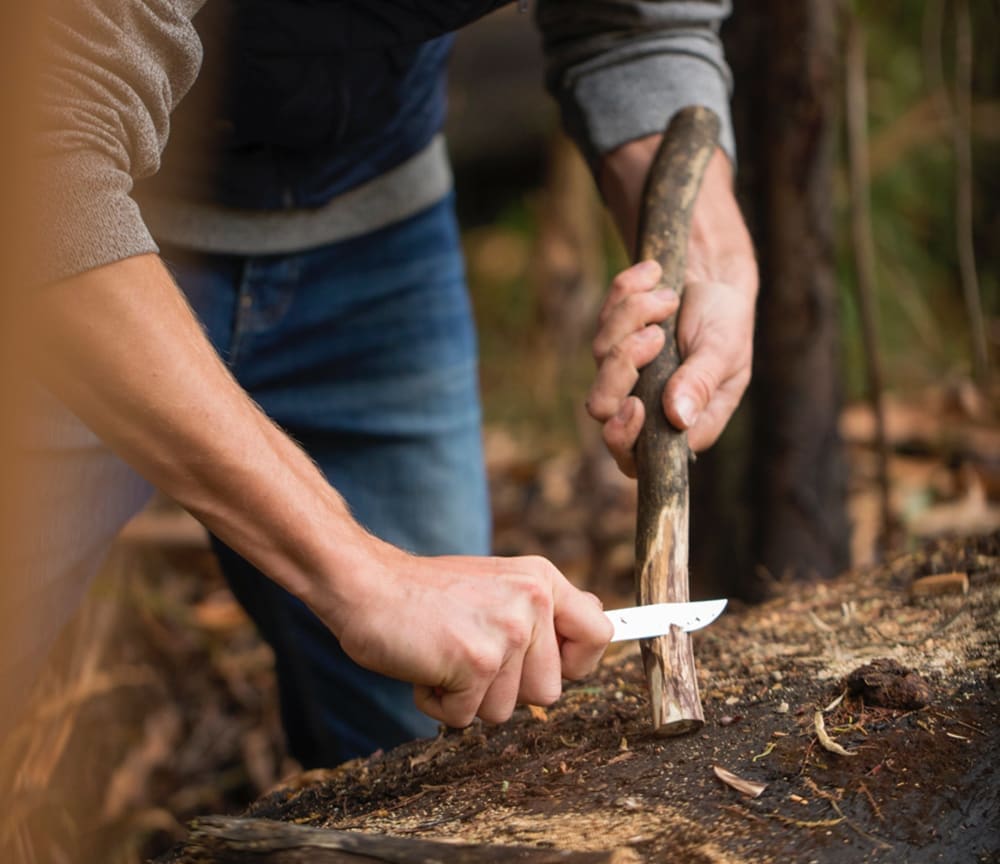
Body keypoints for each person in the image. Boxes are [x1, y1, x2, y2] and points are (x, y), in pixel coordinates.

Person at [13, 0, 757, 767]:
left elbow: (639, 25)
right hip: (71, 258)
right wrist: (370, 578)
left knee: (420, 736)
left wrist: (706, 261)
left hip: (378, 232)